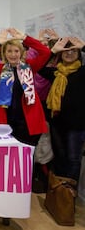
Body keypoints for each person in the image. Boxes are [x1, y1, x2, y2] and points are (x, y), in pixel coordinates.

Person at [0, 28, 51, 146]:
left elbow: (46, 52)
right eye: (9, 51)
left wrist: (25, 38)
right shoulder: (1, 70)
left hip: (28, 120)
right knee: (12, 157)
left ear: (21, 52)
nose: (13, 54)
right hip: (9, 120)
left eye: (16, 51)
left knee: (28, 156)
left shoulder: (30, 66)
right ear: (4, 53)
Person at [38, 37, 85, 182]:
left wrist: (83, 46)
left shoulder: (83, 72)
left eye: (73, 50)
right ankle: (59, 193)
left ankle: (69, 193)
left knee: (73, 159)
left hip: (77, 126)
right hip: (57, 123)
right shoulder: (56, 73)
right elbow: (39, 67)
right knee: (59, 156)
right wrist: (52, 51)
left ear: (79, 54)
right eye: (65, 51)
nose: (69, 53)